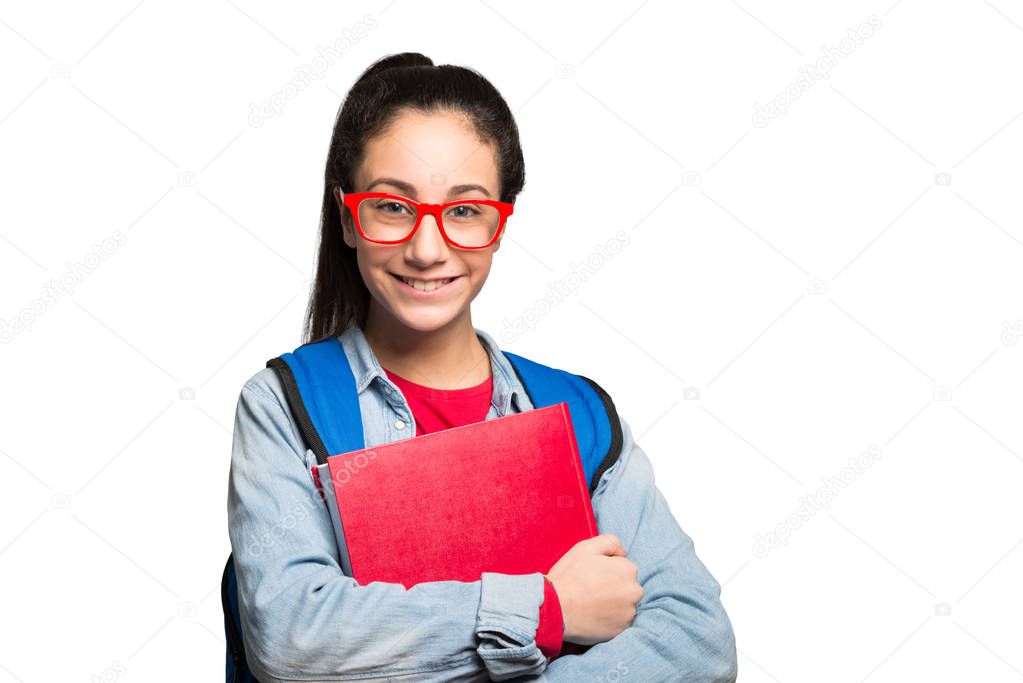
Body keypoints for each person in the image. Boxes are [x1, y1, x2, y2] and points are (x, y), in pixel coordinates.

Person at [227, 51, 737, 682]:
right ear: (348, 217)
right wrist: (548, 611)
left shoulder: (581, 417)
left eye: (465, 210)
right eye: (392, 207)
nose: (426, 248)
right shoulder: (286, 406)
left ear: (500, 225)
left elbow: (696, 637)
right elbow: (293, 638)